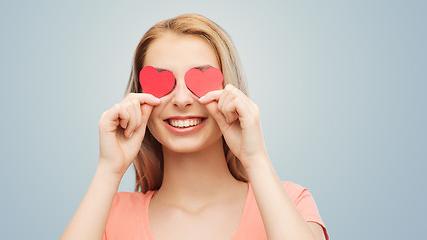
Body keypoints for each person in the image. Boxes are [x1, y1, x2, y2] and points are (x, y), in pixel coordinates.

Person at [60, 14, 329, 240]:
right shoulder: (108, 214)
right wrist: (109, 169)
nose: (181, 100)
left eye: (199, 80)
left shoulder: (291, 202)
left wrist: (255, 159)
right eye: (162, 82)